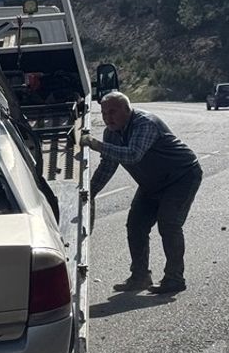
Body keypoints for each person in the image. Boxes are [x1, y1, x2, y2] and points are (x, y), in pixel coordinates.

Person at [86, 92, 203, 295]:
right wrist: (90, 192)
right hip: (151, 183)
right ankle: (140, 277)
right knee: (136, 225)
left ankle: (174, 279)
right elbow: (108, 165)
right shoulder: (112, 132)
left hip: (181, 177)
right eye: (104, 113)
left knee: (169, 223)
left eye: (112, 112)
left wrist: (96, 145)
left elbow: (133, 154)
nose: (107, 117)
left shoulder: (145, 124)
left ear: (126, 109)